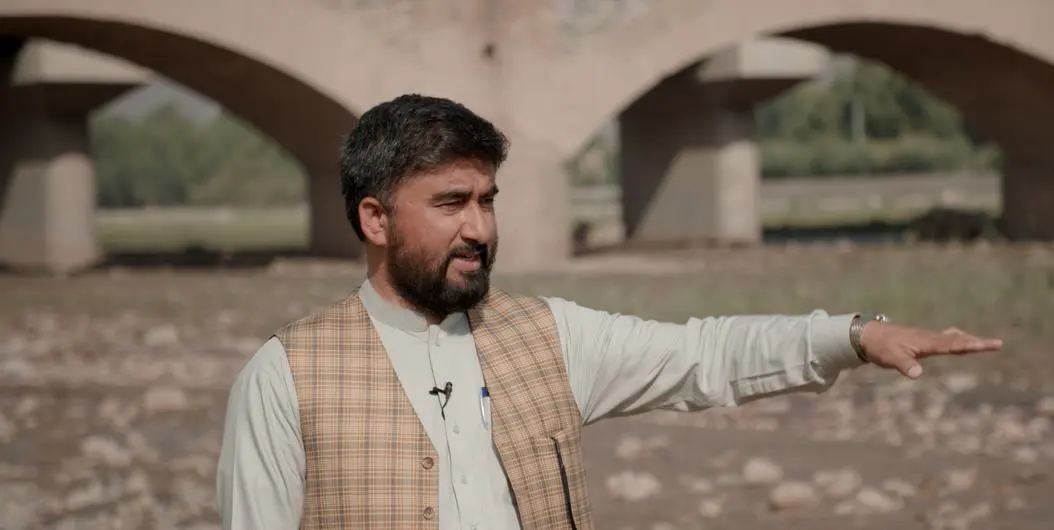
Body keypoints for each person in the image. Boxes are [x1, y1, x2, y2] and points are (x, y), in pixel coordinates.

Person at [214, 94, 1002, 530]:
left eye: (487, 201)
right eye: (451, 203)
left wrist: (853, 335)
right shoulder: (287, 376)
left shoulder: (546, 337)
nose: (480, 228)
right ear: (375, 221)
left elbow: (707, 357)